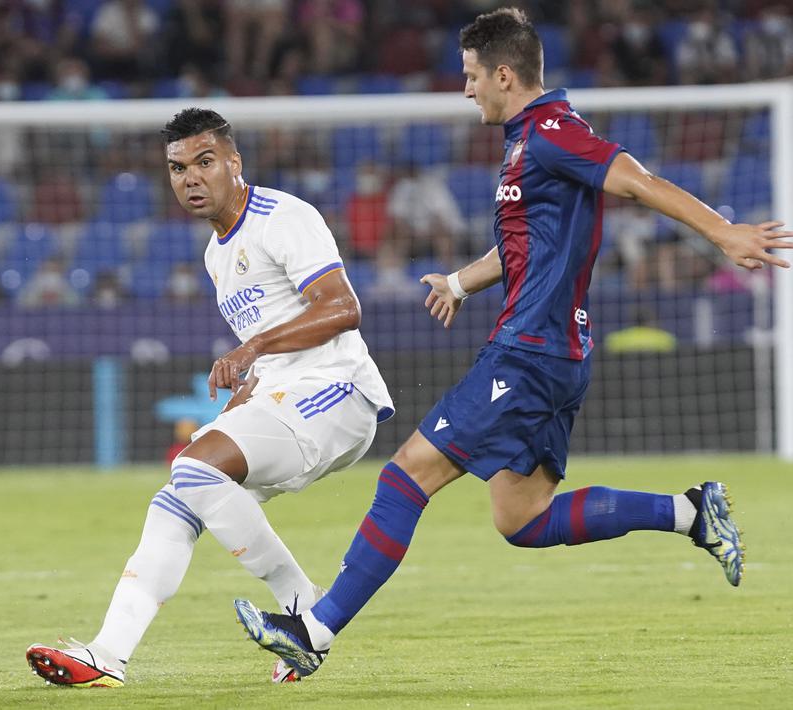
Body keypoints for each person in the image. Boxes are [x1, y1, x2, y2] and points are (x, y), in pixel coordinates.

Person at [235, 7, 791, 679]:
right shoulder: (528, 141)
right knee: (521, 518)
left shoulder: (553, 132)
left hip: (528, 352)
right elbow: (525, 242)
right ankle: (689, 512)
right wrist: (462, 282)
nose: (465, 89)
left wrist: (721, 232)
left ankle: (313, 631)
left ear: (503, 73)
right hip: (553, 355)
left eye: (471, 76)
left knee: (405, 474)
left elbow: (635, 181)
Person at [25, 108, 394, 687]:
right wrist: (242, 396)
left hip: (337, 391)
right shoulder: (216, 253)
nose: (190, 178)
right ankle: (106, 654)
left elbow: (343, 308)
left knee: (195, 470)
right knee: (177, 499)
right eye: (177, 168)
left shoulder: (283, 216)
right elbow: (270, 354)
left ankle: (301, 603)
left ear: (233, 162)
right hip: (285, 394)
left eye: (203, 162)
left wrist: (251, 349)